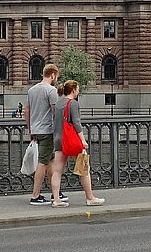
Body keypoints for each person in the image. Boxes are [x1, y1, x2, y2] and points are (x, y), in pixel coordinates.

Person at [50, 80, 104, 208]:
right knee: (84, 168)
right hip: (71, 140)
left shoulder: (58, 104)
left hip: (58, 139)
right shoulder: (73, 103)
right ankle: (90, 197)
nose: (78, 91)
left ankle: (56, 200)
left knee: (57, 171)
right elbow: (76, 123)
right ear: (73, 89)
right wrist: (83, 140)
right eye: (78, 89)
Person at [25, 63, 67, 206]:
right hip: (47, 131)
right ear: (53, 75)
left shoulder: (32, 90)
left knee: (49, 161)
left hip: (36, 130)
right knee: (43, 163)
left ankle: (55, 192)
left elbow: (27, 111)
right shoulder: (51, 90)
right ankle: (35, 195)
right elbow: (56, 111)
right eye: (57, 76)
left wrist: (30, 129)